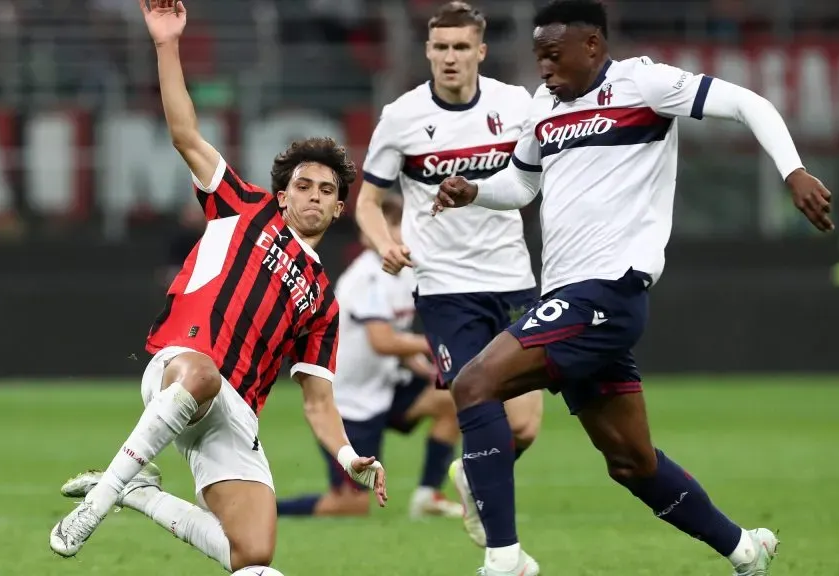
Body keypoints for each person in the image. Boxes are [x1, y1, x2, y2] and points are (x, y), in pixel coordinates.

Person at [432, 1, 834, 575]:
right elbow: (522, 184)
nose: (543, 67)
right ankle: (746, 549)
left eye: (553, 54)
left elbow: (749, 103)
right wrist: (474, 191)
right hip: (567, 299)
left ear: (592, 45)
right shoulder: (545, 107)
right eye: (537, 56)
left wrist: (793, 170)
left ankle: (505, 561)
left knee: (473, 383)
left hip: (608, 291)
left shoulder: (644, 83)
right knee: (631, 461)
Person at [48, 0, 388, 571]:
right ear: (283, 194)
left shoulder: (324, 302)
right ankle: (99, 503)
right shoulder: (243, 205)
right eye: (302, 185)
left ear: (337, 208)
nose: (312, 195)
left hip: (236, 416)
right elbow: (184, 133)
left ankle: (138, 492)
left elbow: (318, 403)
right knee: (202, 372)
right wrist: (166, 43)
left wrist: (350, 456)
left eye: (326, 190)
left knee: (252, 555)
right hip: (182, 366)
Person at [354, 0, 544, 547]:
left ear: (481, 51)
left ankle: (470, 474)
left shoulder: (516, 106)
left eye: (462, 47)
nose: (451, 57)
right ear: (428, 51)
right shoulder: (403, 116)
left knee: (525, 426)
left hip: (511, 279)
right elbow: (367, 200)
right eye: (441, 47)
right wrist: (384, 241)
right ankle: (501, 545)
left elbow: (535, 176)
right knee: (477, 404)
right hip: (443, 287)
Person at [277, 195, 464, 519]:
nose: (402, 234)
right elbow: (383, 341)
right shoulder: (366, 276)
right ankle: (267, 510)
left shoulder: (404, 274)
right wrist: (433, 345)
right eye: (392, 227)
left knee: (450, 400)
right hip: (348, 403)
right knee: (351, 505)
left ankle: (427, 496)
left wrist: (425, 369)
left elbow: (397, 346)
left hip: (383, 389)